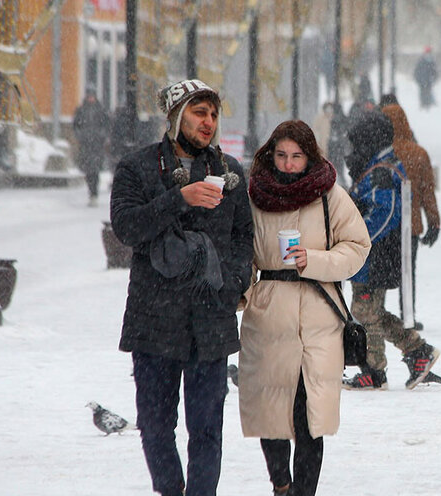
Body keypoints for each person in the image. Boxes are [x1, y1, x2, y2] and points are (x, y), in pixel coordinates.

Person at [109, 79, 253, 496]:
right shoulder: (138, 167)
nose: (207, 123)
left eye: (212, 114)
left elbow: (245, 234)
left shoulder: (229, 172)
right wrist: (180, 198)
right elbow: (127, 227)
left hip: (210, 320)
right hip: (154, 318)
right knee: (155, 426)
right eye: (198, 113)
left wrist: (235, 280)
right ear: (176, 117)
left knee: (207, 429)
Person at [239, 120, 370, 496]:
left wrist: (312, 260)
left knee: (309, 415)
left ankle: (303, 493)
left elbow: (357, 248)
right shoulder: (253, 196)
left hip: (319, 313)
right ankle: (282, 485)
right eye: (281, 155)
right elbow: (241, 253)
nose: (289, 164)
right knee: (271, 414)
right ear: (270, 155)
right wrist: (242, 292)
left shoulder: (330, 195)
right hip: (268, 314)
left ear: (309, 156)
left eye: (297, 156)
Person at [341, 111, 441, 390]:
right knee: (371, 311)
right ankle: (417, 351)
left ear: (369, 141)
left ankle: (374, 371)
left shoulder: (382, 171)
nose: (353, 152)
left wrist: (358, 239)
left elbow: (385, 213)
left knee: (364, 311)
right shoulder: (380, 165)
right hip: (374, 256)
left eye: (357, 144)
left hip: (374, 256)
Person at [380, 102, 441, 331]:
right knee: (408, 272)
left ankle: (378, 315)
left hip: (383, 225)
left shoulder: (380, 155)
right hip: (411, 225)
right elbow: (427, 192)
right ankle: (408, 315)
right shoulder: (418, 153)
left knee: (381, 273)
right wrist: (434, 222)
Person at [73, 90, 110, 206]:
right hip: (86, 145)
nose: (90, 99)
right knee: (88, 170)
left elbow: (106, 126)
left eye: (92, 96)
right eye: (89, 96)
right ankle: (91, 191)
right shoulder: (81, 111)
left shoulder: (101, 111)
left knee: (95, 170)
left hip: (97, 145)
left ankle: (94, 193)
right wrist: (81, 136)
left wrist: (101, 136)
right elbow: (75, 126)